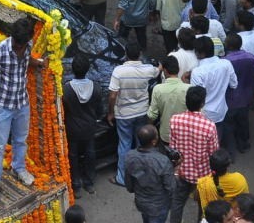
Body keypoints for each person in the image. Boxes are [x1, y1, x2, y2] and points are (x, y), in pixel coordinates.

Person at [0, 17, 47, 198]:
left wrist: (38, 63)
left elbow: (27, 60)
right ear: (12, 37)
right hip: (2, 106)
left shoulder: (27, 46)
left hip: (21, 102)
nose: (20, 48)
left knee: (20, 140)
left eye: (23, 45)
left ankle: (18, 168)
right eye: (17, 45)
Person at [107, 41, 157, 187]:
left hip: (124, 115)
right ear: (140, 54)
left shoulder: (118, 71)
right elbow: (158, 70)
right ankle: (142, 175)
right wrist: (160, 65)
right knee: (141, 143)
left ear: (126, 54)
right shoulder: (148, 69)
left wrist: (110, 113)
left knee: (124, 145)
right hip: (142, 112)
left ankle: (122, 178)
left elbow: (112, 95)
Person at [168, 86, 220, 223]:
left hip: (182, 172)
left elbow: (173, 148)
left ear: (186, 102)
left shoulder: (175, 120)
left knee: (178, 202)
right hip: (203, 174)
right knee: (203, 205)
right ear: (203, 103)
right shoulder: (209, 126)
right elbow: (214, 153)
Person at [63, 54, 103, 197]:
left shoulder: (66, 89)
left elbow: (63, 110)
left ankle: (76, 184)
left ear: (73, 69)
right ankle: (89, 182)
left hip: (72, 129)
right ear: (87, 69)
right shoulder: (96, 88)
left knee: (72, 155)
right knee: (90, 154)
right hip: (89, 128)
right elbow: (100, 110)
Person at [123, 124, 176, 223]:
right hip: (159, 206)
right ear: (154, 141)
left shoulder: (130, 156)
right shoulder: (162, 161)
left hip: (141, 202)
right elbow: (171, 187)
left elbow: (129, 183)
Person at [223, 32, 254, 153]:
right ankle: (244, 144)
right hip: (246, 96)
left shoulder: (225, 62)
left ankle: (230, 149)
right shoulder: (251, 58)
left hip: (229, 99)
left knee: (229, 123)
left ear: (227, 46)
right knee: (243, 121)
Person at [147, 55, 188, 145]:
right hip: (185, 134)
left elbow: (152, 115)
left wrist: (149, 127)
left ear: (165, 70)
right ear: (178, 69)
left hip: (166, 134)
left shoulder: (158, 89)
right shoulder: (189, 88)